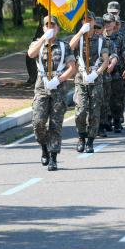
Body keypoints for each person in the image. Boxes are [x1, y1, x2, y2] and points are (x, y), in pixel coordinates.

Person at [27, 15, 77, 171]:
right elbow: (31, 54)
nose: (50, 27)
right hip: (41, 87)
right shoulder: (38, 43)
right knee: (38, 123)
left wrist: (59, 79)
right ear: (43, 28)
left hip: (58, 88)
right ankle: (44, 148)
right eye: (46, 25)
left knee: (55, 125)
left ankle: (53, 158)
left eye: (53, 25)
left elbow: (72, 68)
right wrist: (43, 38)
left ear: (57, 28)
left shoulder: (64, 46)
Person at [69, 12, 110, 153]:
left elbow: (106, 60)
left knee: (94, 111)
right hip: (81, 79)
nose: (87, 22)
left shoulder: (101, 40)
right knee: (80, 110)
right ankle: (81, 137)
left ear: (94, 22)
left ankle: (90, 141)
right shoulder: (79, 38)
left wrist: (96, 73)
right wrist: (81, 31)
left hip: (95, 78)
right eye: (84, 20)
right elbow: (70, 47)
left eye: (89, 20)